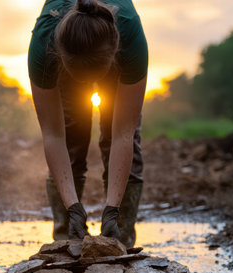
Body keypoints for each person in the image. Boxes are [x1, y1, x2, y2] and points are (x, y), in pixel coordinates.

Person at [28, 0, 148, 248]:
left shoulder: (130, 36)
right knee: (72, 135)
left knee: (120, 136)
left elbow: (122, 135)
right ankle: (66, 236)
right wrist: (73, 207)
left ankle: (120, 236)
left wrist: (112, 209)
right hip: (68, 56)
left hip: (110, 53)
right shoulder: (44, 45)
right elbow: (53, 135)